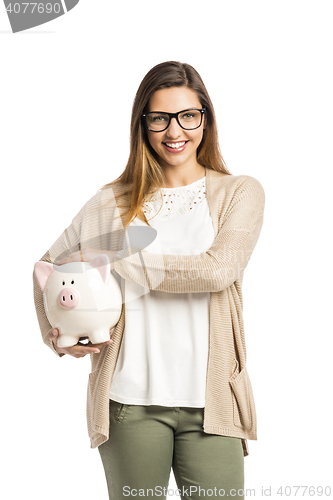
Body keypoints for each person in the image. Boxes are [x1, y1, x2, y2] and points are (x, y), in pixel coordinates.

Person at [33, 61, 265, 500]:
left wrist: (114, 260)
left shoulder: (238, 193)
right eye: (159, 118)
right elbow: (48, 265)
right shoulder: (112, 202)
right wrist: (58, 333)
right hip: (128, 404)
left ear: (205, 119)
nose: (174, 131)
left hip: (212, 406)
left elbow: (218, 270)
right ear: (143, 124)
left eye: (188, 116)